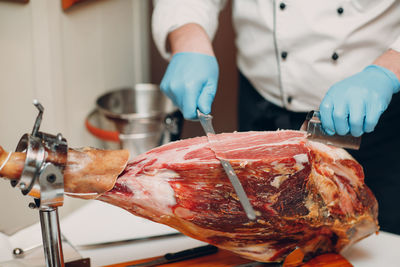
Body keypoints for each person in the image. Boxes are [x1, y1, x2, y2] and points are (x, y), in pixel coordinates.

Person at [151, 1, 400, 234]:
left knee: (378, 239)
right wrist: (187, 37)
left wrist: (387, 70)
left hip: (372, 114)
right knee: (260, 232)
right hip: (261, 109)